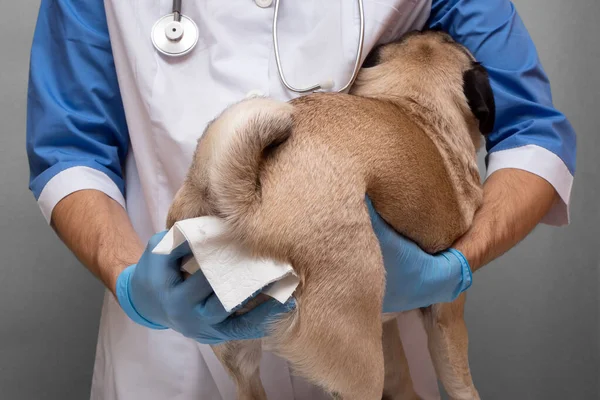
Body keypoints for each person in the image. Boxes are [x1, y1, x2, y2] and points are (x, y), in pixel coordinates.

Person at [26, 0, 576, 399]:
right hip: (175, 356)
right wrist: (134, 285)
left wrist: (456, 264)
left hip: (374, 336)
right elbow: (71, 151)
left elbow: (531, 136)